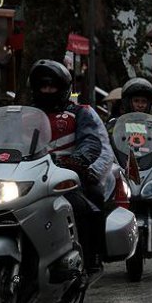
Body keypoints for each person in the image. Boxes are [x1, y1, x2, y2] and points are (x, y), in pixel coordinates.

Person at [29, 60, 114, 271]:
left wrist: (78, 160)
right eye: (43, 86)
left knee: (89, 204)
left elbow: (91, 141)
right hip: (28, 176)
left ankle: (91, 257)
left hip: (66, 176)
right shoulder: (25, 115)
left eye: (52, 86)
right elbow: (7, 139)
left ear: (63, 88)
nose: (47, 91)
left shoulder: (80, 113)